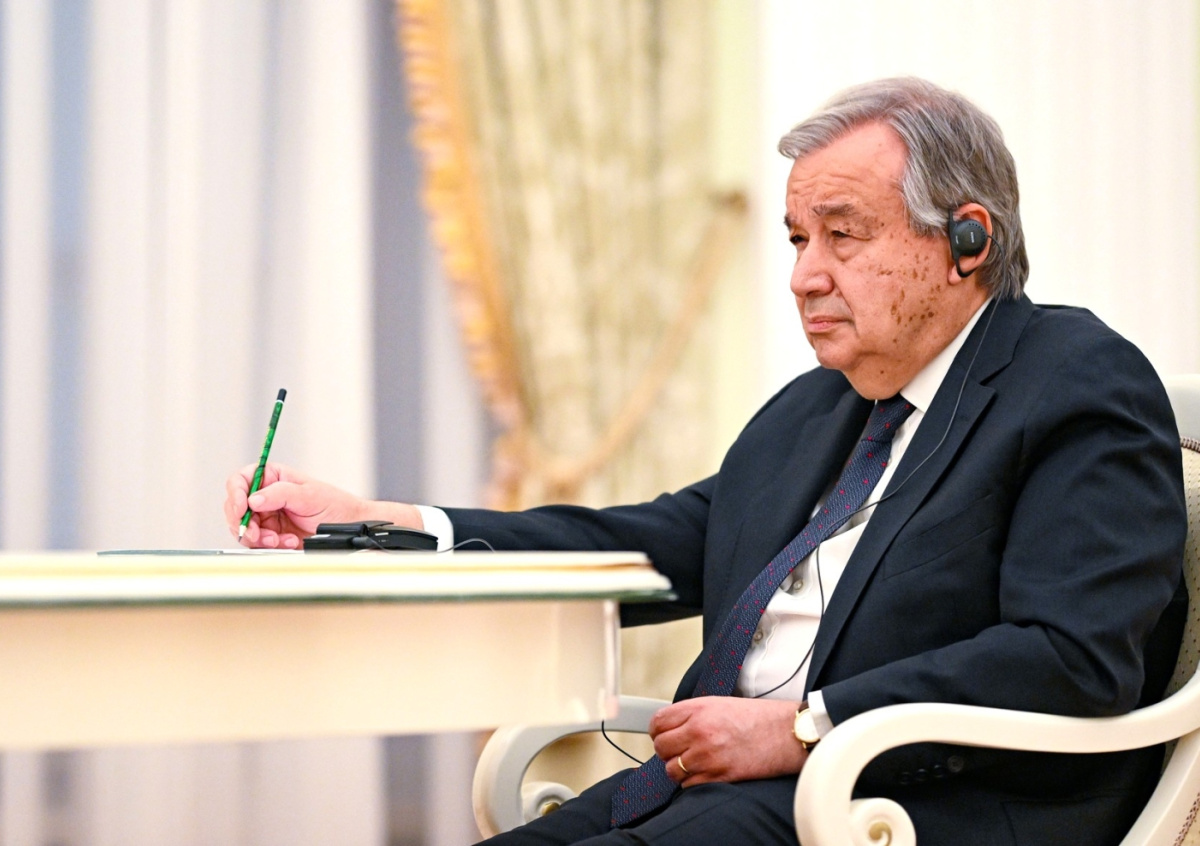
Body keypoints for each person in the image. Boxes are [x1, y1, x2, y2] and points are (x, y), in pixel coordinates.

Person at [224, 78, 1187, 846]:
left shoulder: (1074, 382)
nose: (805, 275)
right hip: (727, 790)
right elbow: (643, 548)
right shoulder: (818, 410)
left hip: (918, 806)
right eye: (799, 240)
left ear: (967, 241)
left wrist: (803, 726)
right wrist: (388, 527)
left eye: (843, 235)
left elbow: (1072, 658)